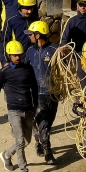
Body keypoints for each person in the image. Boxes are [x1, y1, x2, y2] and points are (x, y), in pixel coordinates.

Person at [0, 39, 38, 172]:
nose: (18, 57)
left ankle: (7, 154)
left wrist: (35, 105)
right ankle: (24, 171)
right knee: (20, 141)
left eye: (19, 55)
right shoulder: (4, 73)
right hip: (14, 111)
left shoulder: (28, 69)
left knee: (27, 140)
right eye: (15, 55)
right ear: (9, 55)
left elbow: (34, 87)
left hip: (28, 109)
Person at [26, 20, 59, 164]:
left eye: (31, 34)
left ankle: (39, 142)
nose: (29, 37)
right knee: (43, 123)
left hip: (52, 94)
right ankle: (48, 152)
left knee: (48, 123)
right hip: (36, 94)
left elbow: (63, 72)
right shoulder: (29, 51)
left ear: (38, 35)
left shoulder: (54, 50)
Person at [0, 0, 37, 66]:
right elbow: (4, 41)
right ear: (20, 6)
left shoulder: (35, 20)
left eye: (31, 8)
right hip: (17, 60)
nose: (29, 11)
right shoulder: (11, 20)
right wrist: (4, 61)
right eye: (27, 9)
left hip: (32, 60)